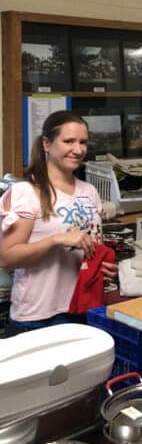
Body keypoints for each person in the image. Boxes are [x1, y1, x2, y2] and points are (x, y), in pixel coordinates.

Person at [0, 110, 117, 334]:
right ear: (47, 143)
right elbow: (7, 258)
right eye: (68, 141)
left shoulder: (89, 191)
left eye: (83, 142)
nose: (78, 149)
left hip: (83, 307)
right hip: (38, 316)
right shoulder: (27, 192)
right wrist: (56, 240)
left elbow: (90, 245)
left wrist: (103, 267)